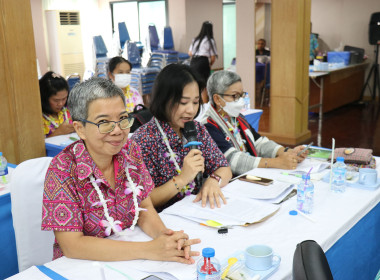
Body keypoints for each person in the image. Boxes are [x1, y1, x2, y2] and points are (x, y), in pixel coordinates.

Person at [41, 77, 200, 263]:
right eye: (104, 122)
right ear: (80, 129)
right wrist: (149, 249)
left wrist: (165, 238)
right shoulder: (62, 169)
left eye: (123, 119)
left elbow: (144, 207)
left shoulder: (130, 150)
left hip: (129, 258)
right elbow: (72, 245)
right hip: (81, 266)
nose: (117, 130)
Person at [132, 64, 232, 212]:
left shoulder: (196, 129)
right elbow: (143, 200)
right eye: (183, 102)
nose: (190, 110)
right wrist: (182, 179)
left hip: (198, 211)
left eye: (196, 102)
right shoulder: (143, 140)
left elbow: (224, 168)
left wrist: (214, 180)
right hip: (165, 221)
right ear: (163, 99)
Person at [201, 70, 308, 176]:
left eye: (241, 95)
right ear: (217, 99)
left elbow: (258, 142)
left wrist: (287, 152)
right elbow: (232, 160)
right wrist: (277, 162)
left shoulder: (236, 117)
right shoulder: (207, 125)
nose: (241, 101)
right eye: (235, 96)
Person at [188, 21, 218, 104]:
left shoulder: (195, 39)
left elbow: (190, 53)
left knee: (195, 85)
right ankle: (204, 107)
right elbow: (213, 57)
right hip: (203, 62)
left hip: (193, 62)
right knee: (203, 87)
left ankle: (195, 106)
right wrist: (210, 64)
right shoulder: (210, 40)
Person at [39, 71, 74, 137]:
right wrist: (58, 132)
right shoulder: (38, 118)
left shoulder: (68, 110)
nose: (61, 104)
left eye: (64, 98)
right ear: (44, 98)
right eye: (56, 100)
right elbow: (36, 145)